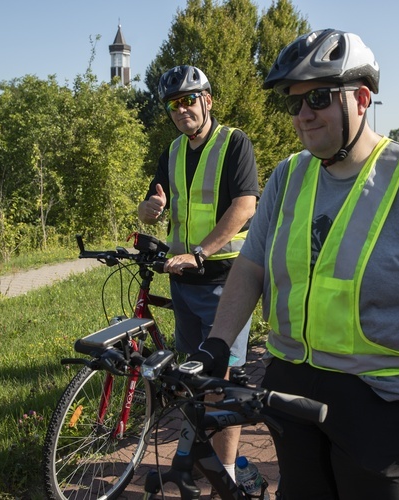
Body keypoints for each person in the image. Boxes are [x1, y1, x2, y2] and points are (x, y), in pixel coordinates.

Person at [188, 29, 399, 499]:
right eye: (293, 103)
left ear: (360, 98)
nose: (303, 115)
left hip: (382, 402)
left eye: (317, 97)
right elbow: (251, 266)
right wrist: (218, 343)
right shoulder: (289, 175)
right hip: (292, 385)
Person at [137, 64, 259, 481]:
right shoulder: (172, 151)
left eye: (188, 100)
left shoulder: (234, 143)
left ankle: (224, 474)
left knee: (220, 380)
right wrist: (148, 210)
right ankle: (196, 458)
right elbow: (152, 203)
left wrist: (200, 253)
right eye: (172, 104)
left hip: (226, 280)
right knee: (192, 375)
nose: (180, 110)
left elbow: (245, 206)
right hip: (183, 282)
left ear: (207, 100)